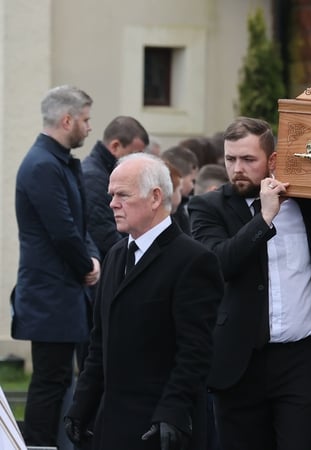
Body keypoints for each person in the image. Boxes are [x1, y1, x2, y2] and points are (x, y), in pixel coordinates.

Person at [188, 117, 311, 449]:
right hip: (240, 364)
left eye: (248, 159)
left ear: (272, 161)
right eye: (230, 159)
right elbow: (218, 265)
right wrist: (264, 218)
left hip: (302, 360)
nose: (237, 169)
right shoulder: (207, 207)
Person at [64, 153, 224, 449]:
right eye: (111, 195)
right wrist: (82, 404)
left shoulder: (193, 260)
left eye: (122, 195)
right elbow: (100, 342)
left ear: (154, 198)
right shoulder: (115, 255)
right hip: (111, 423)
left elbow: (195, 351)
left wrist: (172, 411)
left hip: (160, 427)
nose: (113, 203)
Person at [12, 85, 100, 447]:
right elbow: (62, 231)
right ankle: (38, 445)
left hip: (63, 292)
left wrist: (92, 258)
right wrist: (86, 265)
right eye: (85, 119)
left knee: (60, 378)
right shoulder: (42, 166)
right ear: (67, 120)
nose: (89, 127)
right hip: (50, 293)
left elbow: (81, 223)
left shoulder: (57, 162)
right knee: (50, 382)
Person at [82, 116, 150, 260]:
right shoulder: (93, 179)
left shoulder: (107, 174)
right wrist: (136, 257)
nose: (138, 162)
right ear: (115, 146)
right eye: (134, 154)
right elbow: (102, 232)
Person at [161, 145, 199, 234]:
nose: (193, 186)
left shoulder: (180, 206)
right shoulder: (177, 211)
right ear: (179, 178)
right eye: (192, 180)